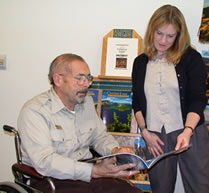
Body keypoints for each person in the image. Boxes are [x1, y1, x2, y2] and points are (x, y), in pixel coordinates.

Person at [17, 53, 143, 193]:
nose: (86, 84)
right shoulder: (35, 111)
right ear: (58, 80)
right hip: (50, 179)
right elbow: (45, 162)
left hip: (87, 174)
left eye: (88, 78)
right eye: (79, 78)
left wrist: (115, 151)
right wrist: (93, 171)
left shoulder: (86, 102)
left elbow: (100, 136)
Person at [132, 4, 209, 193]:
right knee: (161, 188)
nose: (163, 40)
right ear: (152, 30)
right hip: (155, 137)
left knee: (199, 187)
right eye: (159, 33)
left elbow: (197, 99)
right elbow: (137, 101)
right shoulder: (140, 62)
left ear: (179, 35)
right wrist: (145, 132)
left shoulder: (191, 58)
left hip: (190, 132)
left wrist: (187, 131)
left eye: (170, 36)